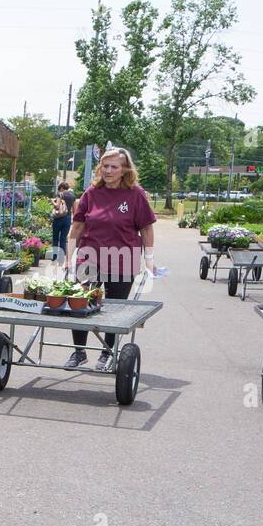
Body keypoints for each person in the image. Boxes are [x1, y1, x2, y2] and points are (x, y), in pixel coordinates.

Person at [65, 147, 157, 370]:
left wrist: (149, 259)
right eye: (105, 166)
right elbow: (77, 227)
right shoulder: (91, 193)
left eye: (113, 167)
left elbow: (146, 229)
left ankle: (108, 353)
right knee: (80, 305)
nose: (108, 170)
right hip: (89, 259)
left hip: (122, 261)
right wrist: (68, 258)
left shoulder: (136, 194)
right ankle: (79, 352)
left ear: (125, 169)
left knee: (115, 310)